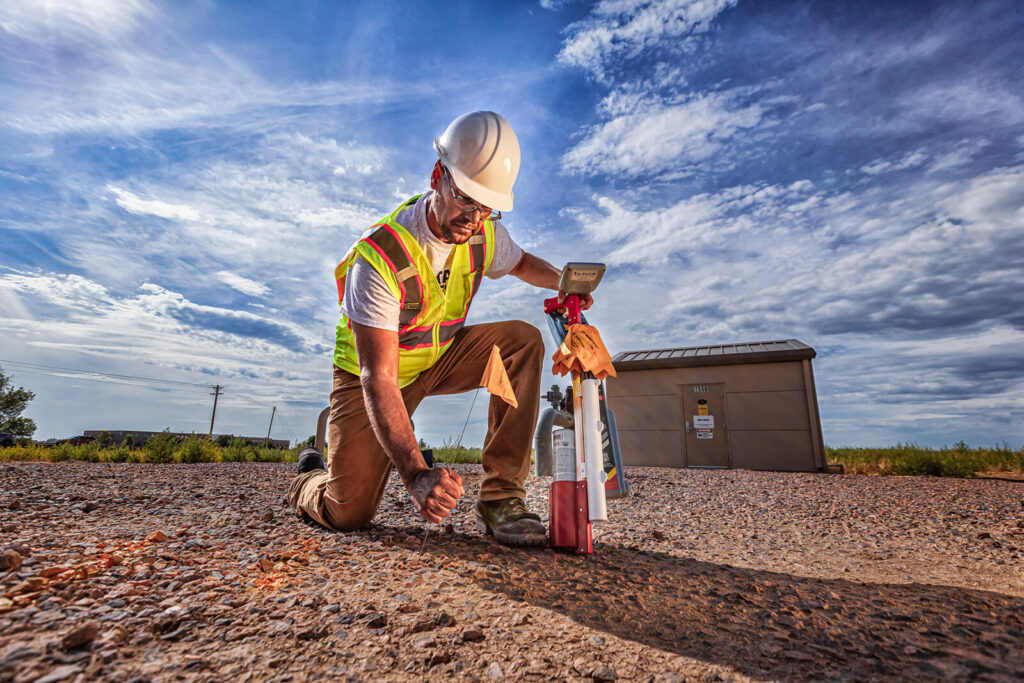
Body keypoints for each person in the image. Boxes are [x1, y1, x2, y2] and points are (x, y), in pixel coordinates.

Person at [287, 111, 592, 546]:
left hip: (441, 356)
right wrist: (415, 474)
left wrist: (565, 284)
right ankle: (310, 476)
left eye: (486, 207)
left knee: (522, 342)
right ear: (437, 176)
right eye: (466, 199)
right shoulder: (379, 258)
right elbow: (380, 377)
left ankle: (501, 498)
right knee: (348, 512)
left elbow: (522, 263)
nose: (473, 217)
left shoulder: (484, 233)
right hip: (371, 378)